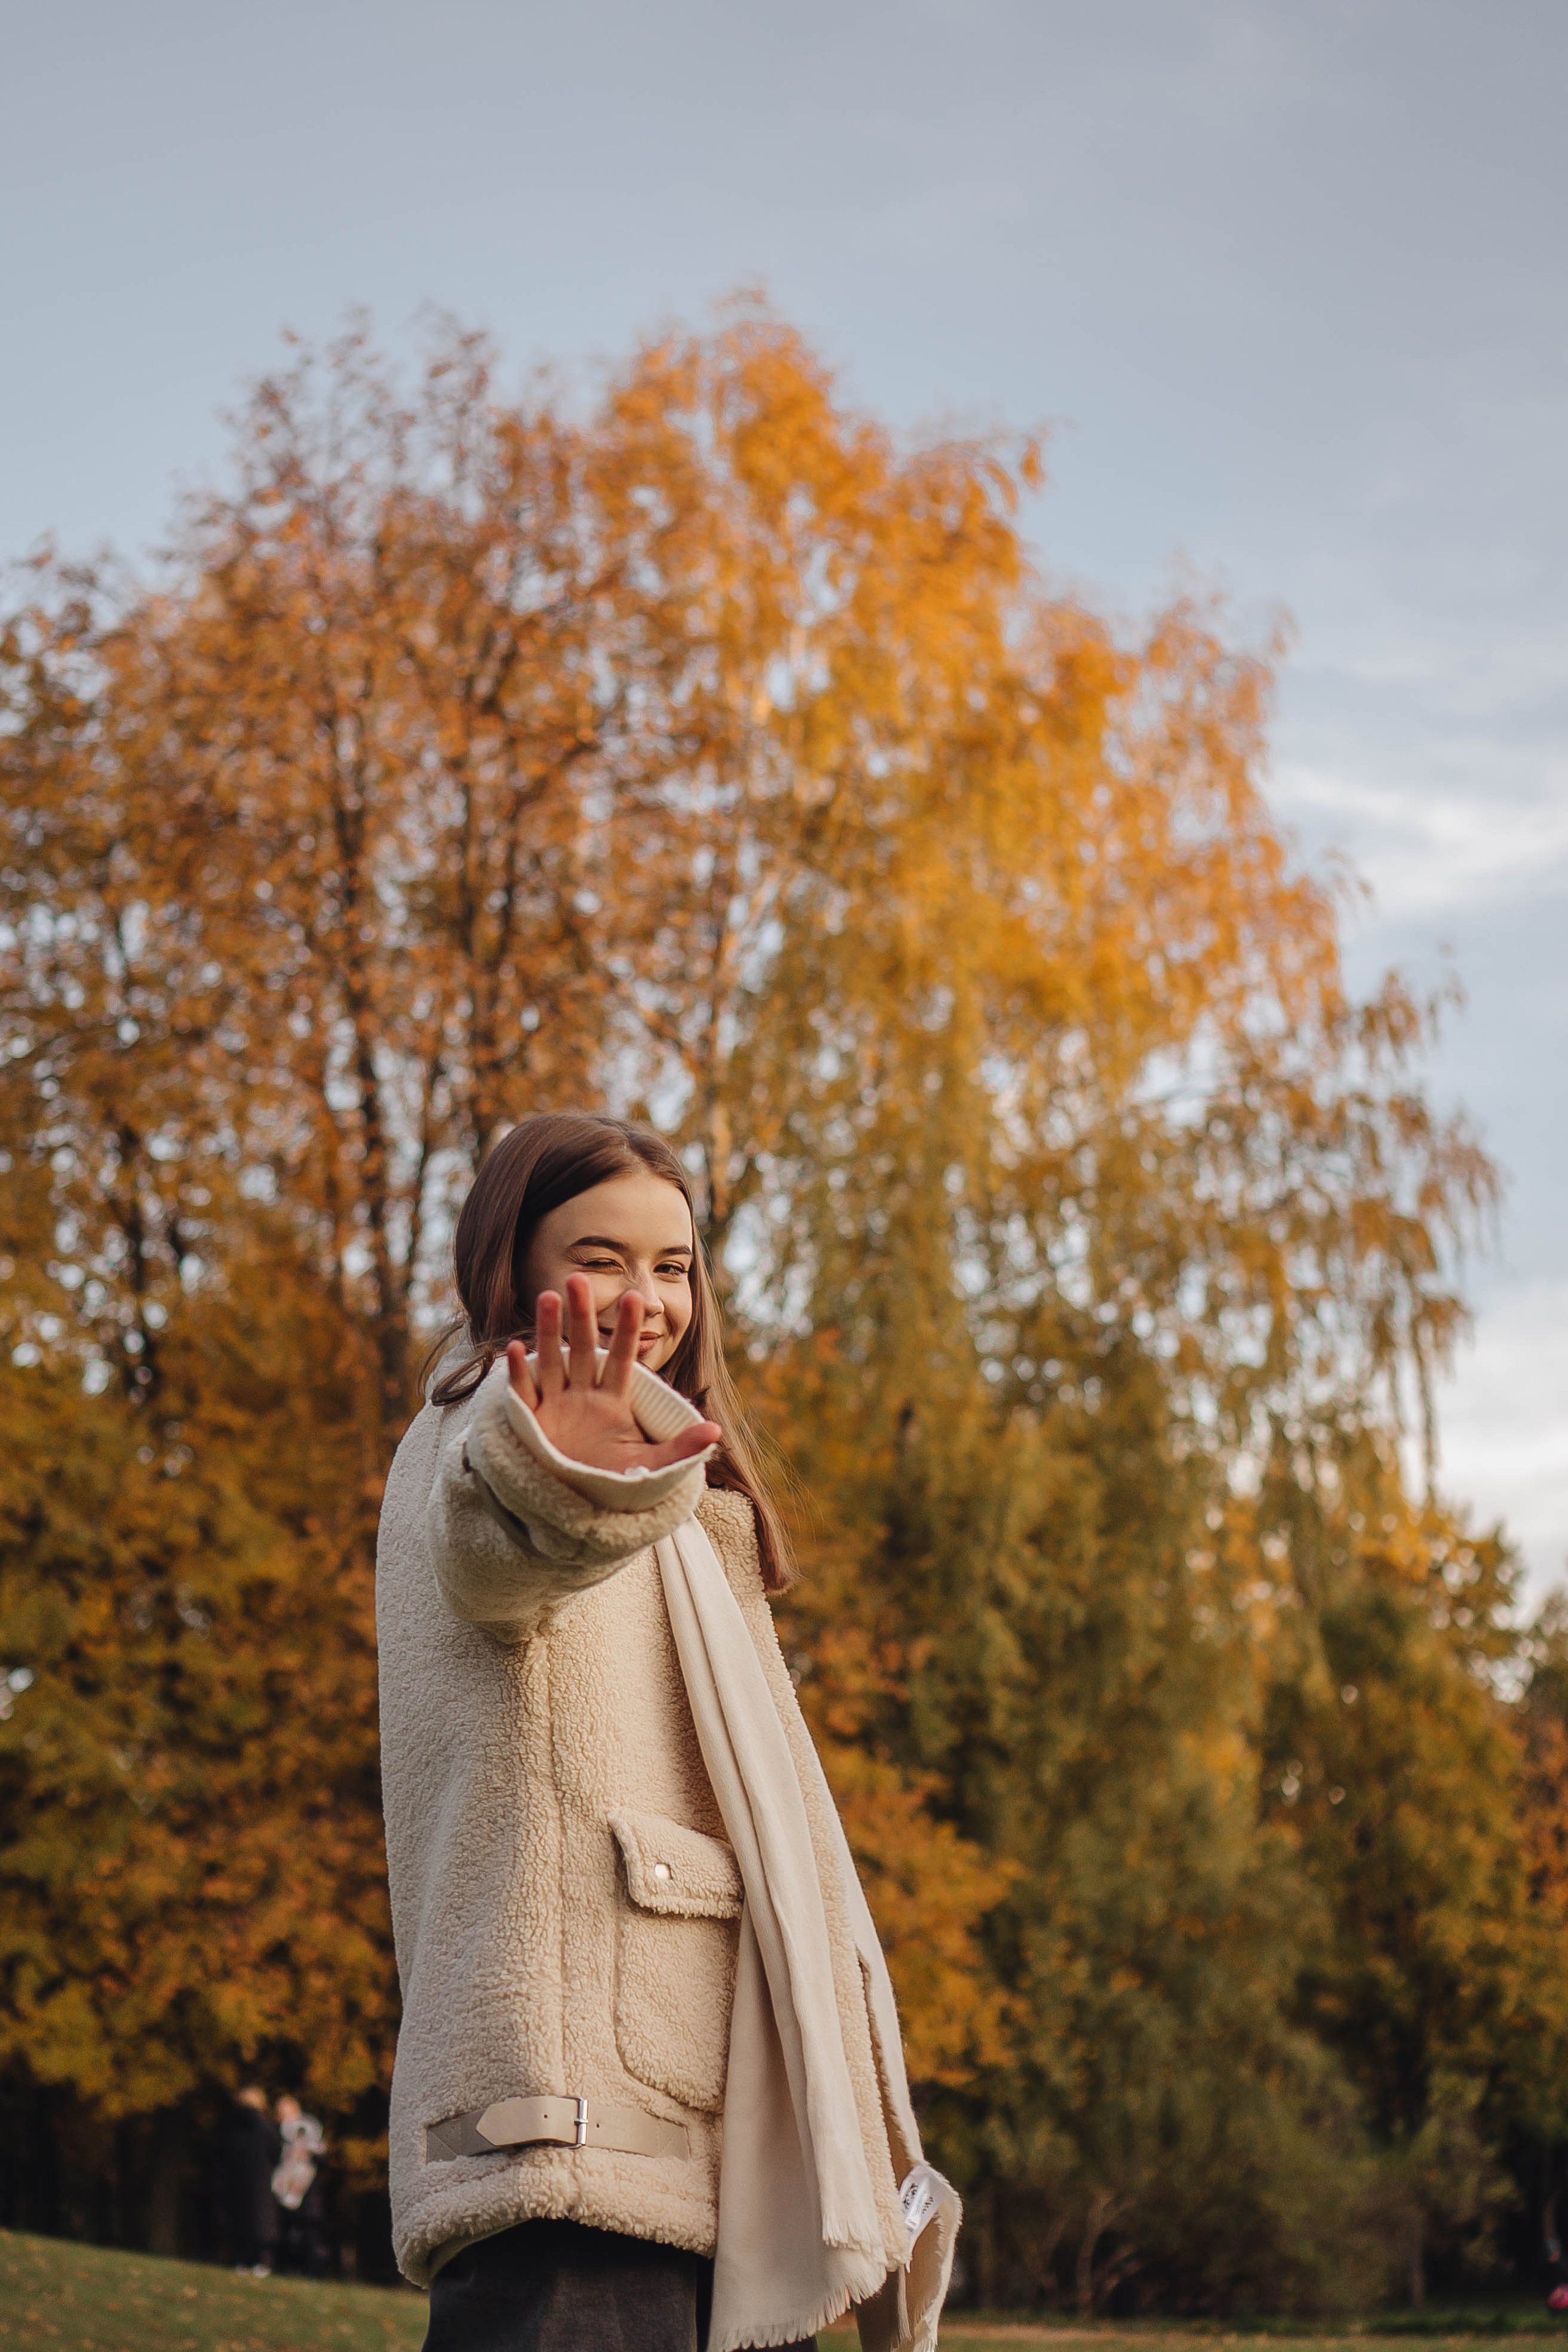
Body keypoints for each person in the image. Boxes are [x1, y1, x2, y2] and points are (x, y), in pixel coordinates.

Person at [377, 1113, 959, 2352]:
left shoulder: (676, 1494)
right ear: (513, 1269)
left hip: (701, 2133)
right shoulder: (487, 1423)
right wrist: (568, 1479)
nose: (645, 1299)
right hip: (583, 2128)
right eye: (600, 1258)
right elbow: (496, 1556)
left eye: (672, 1265)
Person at [222, 2084, 280, 2276]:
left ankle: (240, 2260)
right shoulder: (265, 2128)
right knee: (260, 2222)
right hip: (261, 2182)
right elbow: (276, 2152)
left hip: (236, 2180)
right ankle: (259, 2262)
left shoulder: (231, 2126)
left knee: (239, 2219)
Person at [272, 2093, 328, 2276]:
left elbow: (323, 2160)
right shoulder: (277, 2137)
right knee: (287, 2231)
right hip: (283, 2191)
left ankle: (310, 2269)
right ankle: (288, 2268)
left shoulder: (312, 2137)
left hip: (308, 2195)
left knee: (308, 2233)